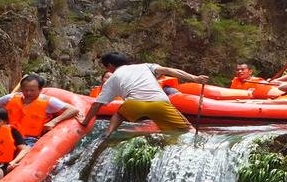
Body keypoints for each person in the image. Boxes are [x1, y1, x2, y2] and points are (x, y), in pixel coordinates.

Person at [79, 52, 208, 135]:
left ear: (110, 66)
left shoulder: (112, 78)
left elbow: (97, 105)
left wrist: (84, 122)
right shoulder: (145, 66)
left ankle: (107, 134)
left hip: (135, 104)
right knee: (188, 131)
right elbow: (169, 70)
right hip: (159, 103)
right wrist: (195, 78)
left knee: (119, 115)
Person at [0, 74, 80, 146]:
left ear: (40, 89)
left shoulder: (48, 101)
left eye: (32, 90)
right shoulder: (12, 97)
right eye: (25, 90)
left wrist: (54, 121)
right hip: (3, 134)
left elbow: (73, 109)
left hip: (29, 139)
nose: (28, 93)